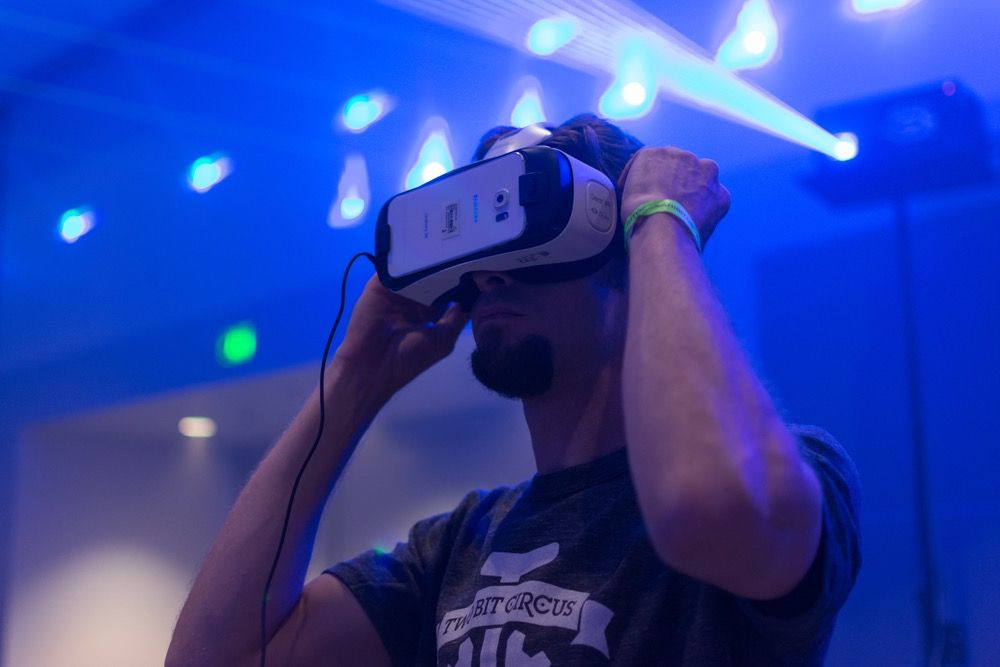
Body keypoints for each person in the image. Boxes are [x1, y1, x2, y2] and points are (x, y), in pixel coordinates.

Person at [167, 114, 861, 666]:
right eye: (484, 253)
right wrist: (352, 382)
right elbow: (218, 656)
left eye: (533, 234)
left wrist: (660, 223)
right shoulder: (456, 547)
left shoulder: (790, 471)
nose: (493, 274)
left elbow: (705, 506)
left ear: (621, 253)